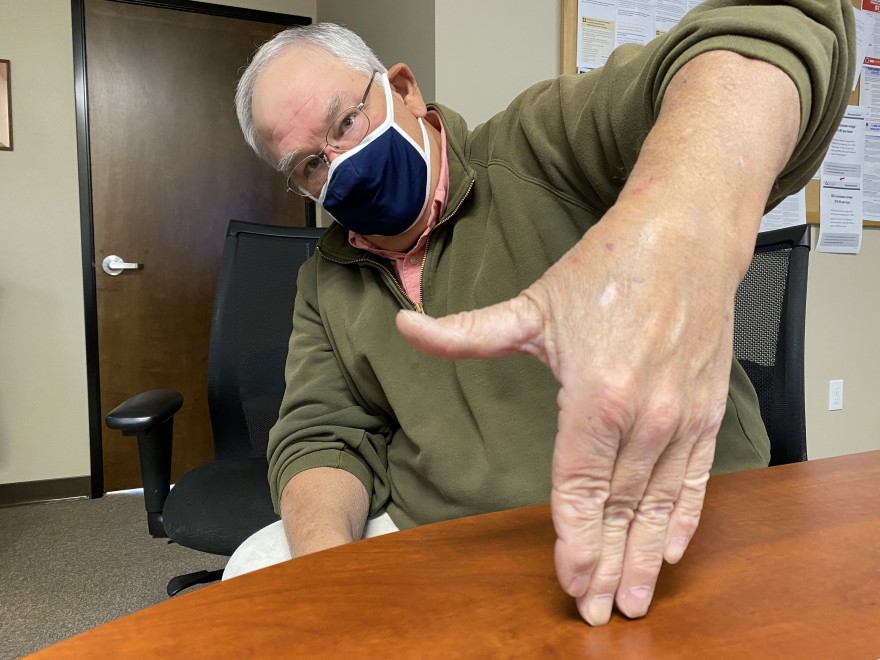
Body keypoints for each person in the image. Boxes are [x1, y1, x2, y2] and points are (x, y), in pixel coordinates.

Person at [230, 1, 854, 626]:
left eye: (345, 122)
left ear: (404, 90)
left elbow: (769, 31)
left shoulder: (542, 143)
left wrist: (682, 225)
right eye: (311, 164)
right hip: (444, 541)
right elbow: (322, 433)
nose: (340, 161)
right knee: (258, 566)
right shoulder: (323, 278)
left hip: (652, 514)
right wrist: (328, 578)